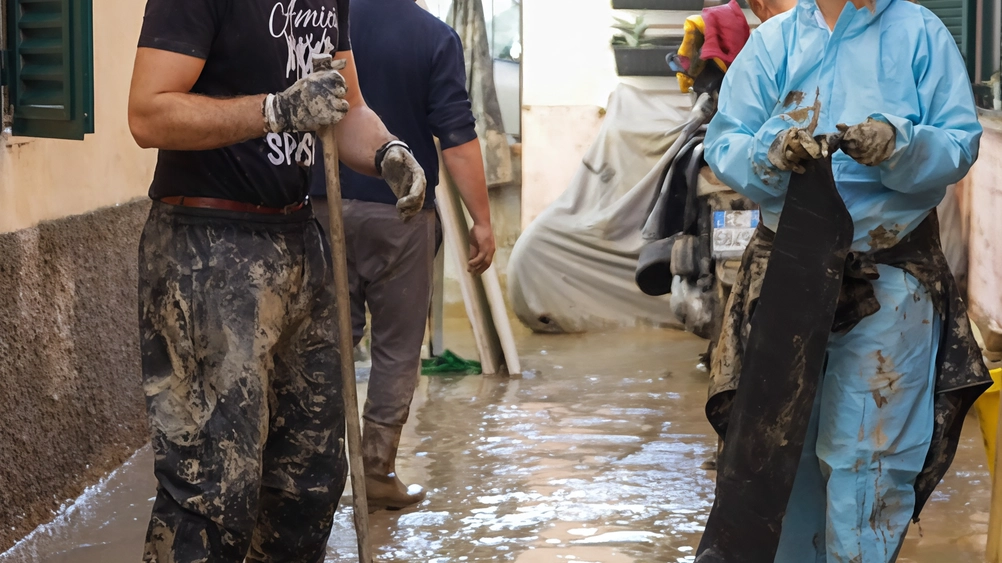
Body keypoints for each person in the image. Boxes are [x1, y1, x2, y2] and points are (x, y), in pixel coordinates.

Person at [127, 0, 427, 560]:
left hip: (297, 237)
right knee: (214, 489)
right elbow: (148, 114)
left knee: (308, 480)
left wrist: (389, 151)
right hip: (207, 246)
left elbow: (347, 106)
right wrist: (273, 110)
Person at [702, 0, 990, 560]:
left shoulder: (920, 33)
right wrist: (771, 151)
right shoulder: (774, 43)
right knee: (776, 459)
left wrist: (899, 144)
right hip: (787, 276)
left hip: (890, 278)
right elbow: (725, 141)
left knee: (869, 461)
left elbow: (959, 140)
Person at [310, 0, 496, 512]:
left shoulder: (322, 25)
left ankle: (309, 473)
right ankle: (376, 473)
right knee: (396, 347)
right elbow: (456, 137)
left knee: (325, 345)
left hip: (321, 205)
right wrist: (481, 218)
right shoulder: (433, 37)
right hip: (402, 212)